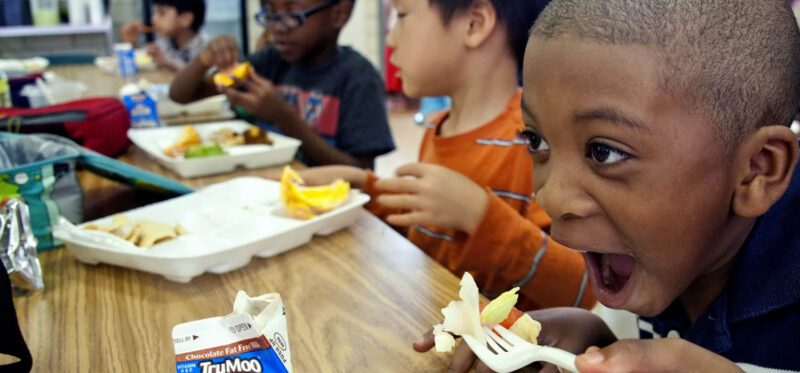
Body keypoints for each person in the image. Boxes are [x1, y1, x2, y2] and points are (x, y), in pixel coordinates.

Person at [421, 0, 800, 371]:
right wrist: (592, 336)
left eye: (605, 151)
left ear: (755, 171)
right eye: (538, 143)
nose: (549, 197)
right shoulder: (676, 256)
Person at [297, 0, 593, 311]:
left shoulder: (536, 144)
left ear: (474, 24)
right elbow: (432, 237)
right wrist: (363, 187)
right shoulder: (438, 126)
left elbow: (582, 292)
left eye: (401, 16)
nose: (390, 39)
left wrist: (481, 217)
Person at [169, 0, 395, 169]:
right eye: (271, 13)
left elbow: (360, 174)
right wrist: (203, 60)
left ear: (339, 14)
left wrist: (284, 118)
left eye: (293, 15)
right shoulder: (270, 61)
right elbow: (181, 95)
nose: (278, 27)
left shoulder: (359, 79)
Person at [121, 0, 209, 72]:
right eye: (154, 12)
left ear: (185, 19)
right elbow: (144, 59)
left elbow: (202, 79)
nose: (153, 19)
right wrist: (131, 42)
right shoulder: (165, 41)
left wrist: (168, 64)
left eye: (162, 13)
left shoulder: (205, 48)